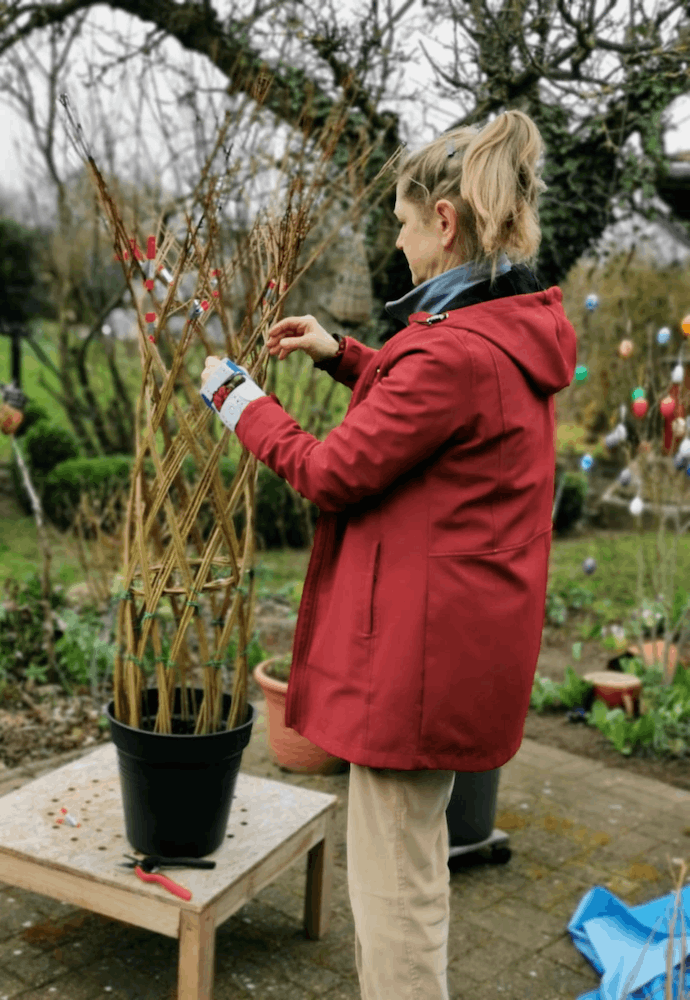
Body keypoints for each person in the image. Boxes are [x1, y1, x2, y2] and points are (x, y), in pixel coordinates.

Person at [200, 109, 577, 1000]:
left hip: (418, 662)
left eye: (404, 224)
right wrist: (345, 357)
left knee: (395, 888)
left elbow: (334, 471)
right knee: (406, 868)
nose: (400, 243)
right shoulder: (502, 328)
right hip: (453, 647)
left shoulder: (454, 353)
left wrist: (238, 400)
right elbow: (432, 405)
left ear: (444, 221)